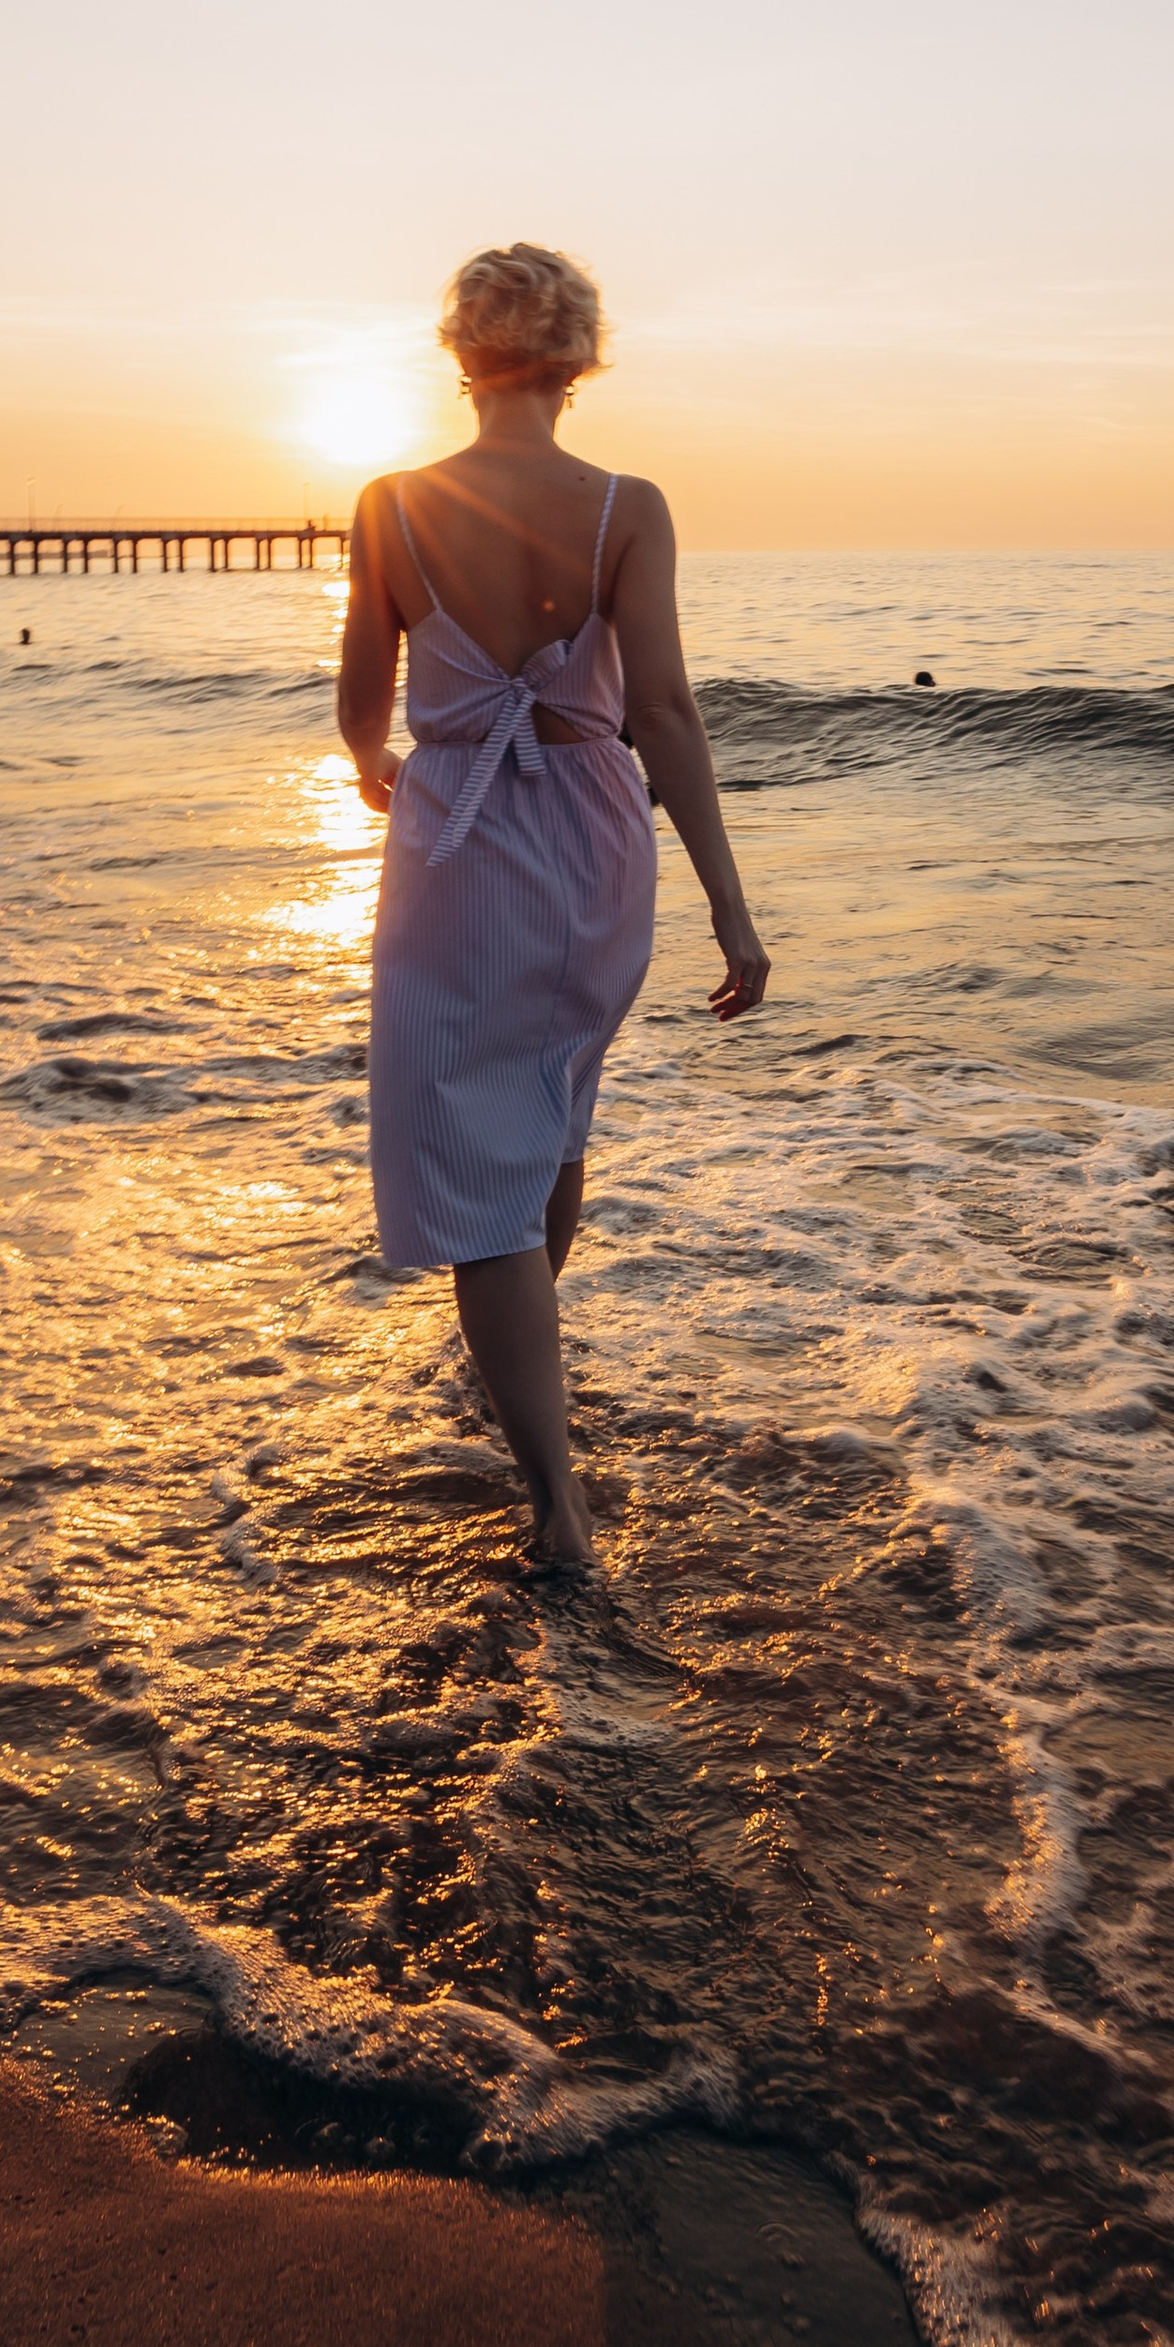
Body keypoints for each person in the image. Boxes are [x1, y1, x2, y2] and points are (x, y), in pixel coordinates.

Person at [338, 244, 768, 1573]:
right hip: (594, 844)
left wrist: (382, 769)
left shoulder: (392, 505)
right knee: (555, 1107)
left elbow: (360, 704)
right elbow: (664, 717)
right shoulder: (627, 505)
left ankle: (554, 1503)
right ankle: (528, 1354)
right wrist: (730, 913)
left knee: (481, 1164)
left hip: (463, 846)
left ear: (460, 353)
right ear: (580, 360)